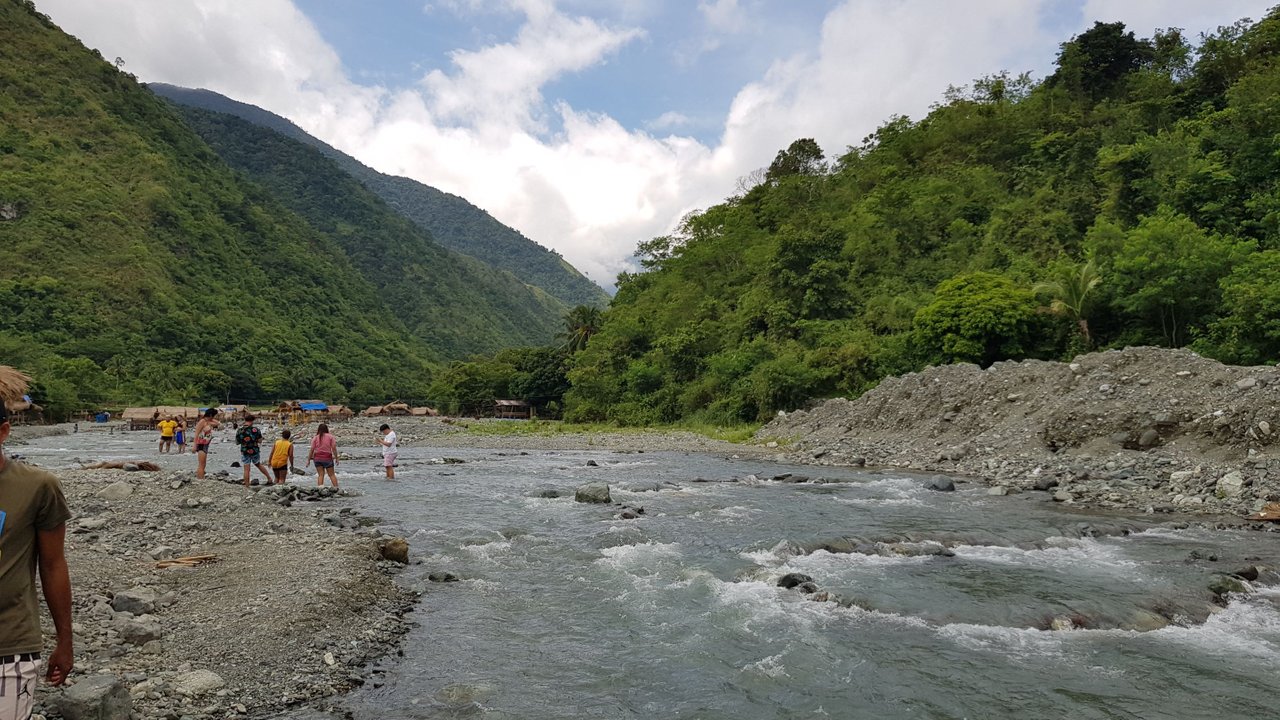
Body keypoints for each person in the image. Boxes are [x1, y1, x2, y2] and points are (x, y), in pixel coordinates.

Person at [0, 403, 74, 719]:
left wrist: (65, 640)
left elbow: (53, 564)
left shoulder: (37, 487)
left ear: (3, 431)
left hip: (10, 645)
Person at [234, 415, 272, 487]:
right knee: (258, 464)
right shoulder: (256, 430)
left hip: (245, 450)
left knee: (246, 469)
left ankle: (247, 485)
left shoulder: (239, 430)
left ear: (245, 420)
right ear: (252, 421)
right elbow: (260, 441)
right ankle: (269, 478)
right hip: (254, 450)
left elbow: (237, 442)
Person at [307, 423, 339, 489]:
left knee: (320, 475)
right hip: (327, 458)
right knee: (332, 475)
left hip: (317, 458)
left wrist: (308, 460)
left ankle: (320, 489)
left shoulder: (315, 437)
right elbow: (334, 448)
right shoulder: (330, 437)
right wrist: (336, 458)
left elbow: (312, 449)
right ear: (326, 429)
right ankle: (336, 488)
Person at [193, 408, 219, 479]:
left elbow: (218, 424)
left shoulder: (207, 422)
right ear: (211, 415)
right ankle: (200, 479)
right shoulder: (202, 421)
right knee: (201, 464)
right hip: (201, 444)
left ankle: (201, 478)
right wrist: (194, 446)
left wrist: (210, 419)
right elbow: (196, 434)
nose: (214, 417)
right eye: (214, 415)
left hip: (206, 444)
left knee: (203, 464)